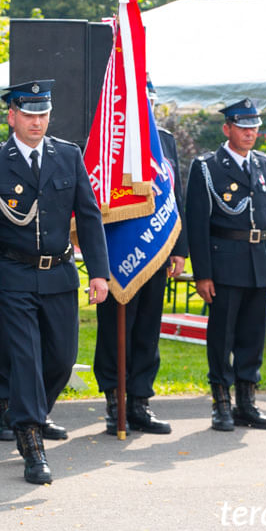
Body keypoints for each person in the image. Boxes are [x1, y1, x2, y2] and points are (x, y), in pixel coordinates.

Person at [0, 80, 110, 484]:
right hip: (13, 277)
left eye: (43, 113)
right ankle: (31, 441)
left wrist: (98, 271)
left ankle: (31, 413)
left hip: (60, 274)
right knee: (27, 360)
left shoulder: (68, 156)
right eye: (29, 114)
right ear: (12, 116)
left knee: (61, 359)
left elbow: (88, 215)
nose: (37, 121)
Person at [185, 98, 266, 432]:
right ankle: (221, 403)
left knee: (253, 336)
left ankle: (247, 403)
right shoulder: (207, 166)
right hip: (225, 262)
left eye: (254, 127)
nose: (250, 133)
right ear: (227, 128)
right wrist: (203, 274)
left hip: (259, 261)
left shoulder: (265, 165)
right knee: (222, 336)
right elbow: (197, 224)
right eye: (243, 127)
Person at [94, 127, 188, 435]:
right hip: (117, 250)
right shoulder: (109, 133)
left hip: (155, 247)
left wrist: (178, 248)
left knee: (148, 328)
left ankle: (139, 402)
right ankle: (114, 402)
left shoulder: (164, 138)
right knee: (114, 330)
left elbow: (175, 195)